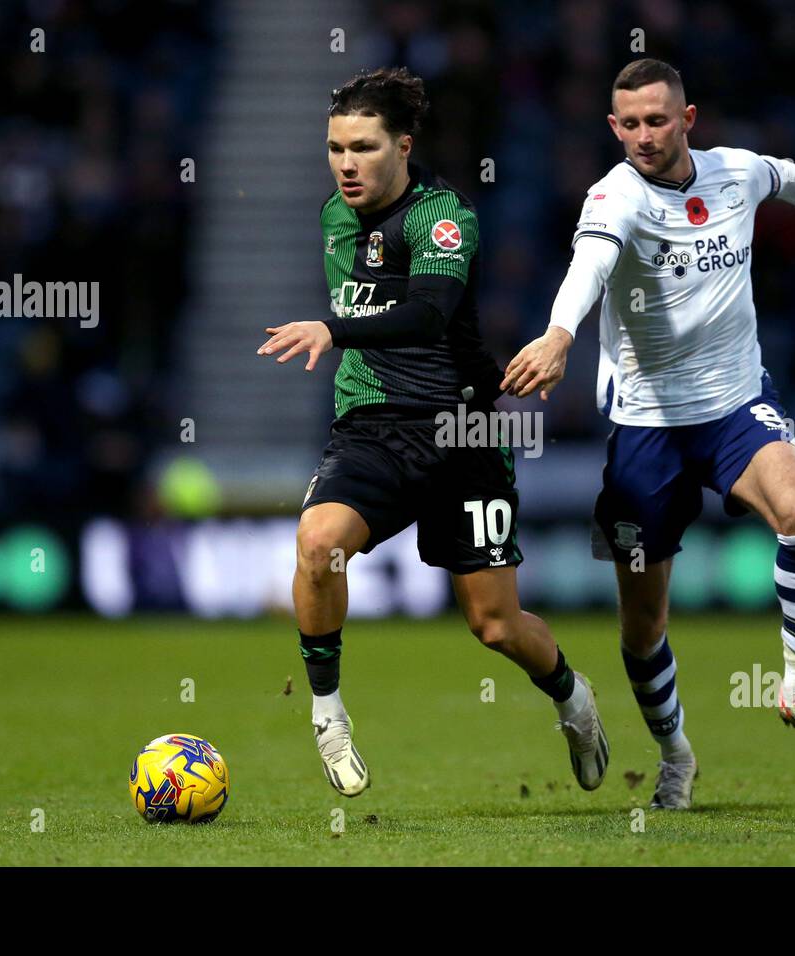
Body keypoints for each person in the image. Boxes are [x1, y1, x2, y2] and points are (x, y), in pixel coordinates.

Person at [502, 58, 795, 809]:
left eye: (657, 120)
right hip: (646, 427)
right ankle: (676, 756)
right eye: (628, 123)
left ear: (687, 119)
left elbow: (793, 178)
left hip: (734, 404)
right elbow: (588, 265)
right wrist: (561, 334)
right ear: (612, 126)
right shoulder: (614, 196)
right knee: (642, 627)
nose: (642, 136)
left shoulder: (735, 172)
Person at [258, 67, 609, 797]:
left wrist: (332, 326)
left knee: (496, 626)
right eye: (335, 148)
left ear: (404, 145)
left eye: (363, 147)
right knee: (319, 545)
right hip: (372, 427)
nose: (346, 164)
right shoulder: (332, 217)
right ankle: (328, 715)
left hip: (464, 431)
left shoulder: (443, 216)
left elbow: (426, 316)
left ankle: (574, 699)